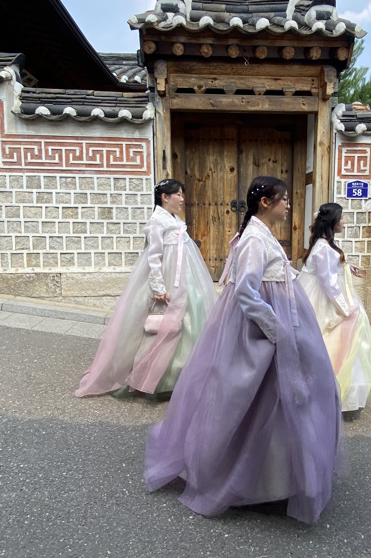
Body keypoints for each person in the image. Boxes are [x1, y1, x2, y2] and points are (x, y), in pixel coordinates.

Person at [144, 176, 343, 524]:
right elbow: (247, 292)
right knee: (252, 397)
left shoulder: (260, 235)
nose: (289, 205)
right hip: (261, 327)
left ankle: (275, 477)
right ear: (265, 202)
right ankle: (245, 475)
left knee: (278, 399)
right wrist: (276, 328)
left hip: (279, 317)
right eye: (283, 199)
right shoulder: (253, 238)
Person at [75, 179, 216, 398]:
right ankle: (157, 378)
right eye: (177, 194)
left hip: (186, 278)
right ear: (165, 197)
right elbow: (154, 258)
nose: (181, 198)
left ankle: (185, 374)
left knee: (190, 322)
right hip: (168, 278)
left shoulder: (173, 219)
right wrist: (158, 287)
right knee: (164, 325)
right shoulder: (156, 221)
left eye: (181, 194)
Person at [297, 203, 371, 416]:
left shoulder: (324, 246)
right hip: (324, 302)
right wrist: (345, 308)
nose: (344, 222)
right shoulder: (323, 248)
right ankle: (333, 395)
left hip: (323, 298)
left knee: (338, 345)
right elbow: (329, 283)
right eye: (342, 218)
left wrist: (348, 267)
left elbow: (332, 269)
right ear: (333, 220)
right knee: (335, 345)